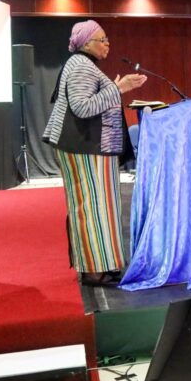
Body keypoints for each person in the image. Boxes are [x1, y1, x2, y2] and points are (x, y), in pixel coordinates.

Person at [43, 19, 146, 286]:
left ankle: (101, 263)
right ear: (87, 43)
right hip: (84, 147)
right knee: (92, 208)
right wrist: (118, 89)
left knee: (100, 207)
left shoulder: (83, 64)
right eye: (103, 40)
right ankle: (92, 270)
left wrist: (113, 88)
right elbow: (82, 107)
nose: (108, 44)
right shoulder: (80, 65)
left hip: (91, 147)